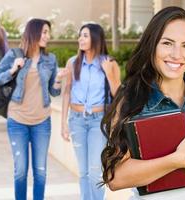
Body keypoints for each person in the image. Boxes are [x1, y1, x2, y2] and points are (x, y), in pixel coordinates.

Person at [100, 6, 185, 200]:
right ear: (152, 45)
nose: (177, 54)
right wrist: (175, 160)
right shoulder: (131, 99)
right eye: (167, 43)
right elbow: (114, 179)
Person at [0, 18, 67, 200]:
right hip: (17, 120)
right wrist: (13, 69)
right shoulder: (14, 54)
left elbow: (53, 92)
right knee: (20, 171)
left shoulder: (50, 59)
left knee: (40, 172)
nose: (47, 36)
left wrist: (58, 80)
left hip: (42, 122)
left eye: (48, 32)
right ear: (33, 33)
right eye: (44, 32)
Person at [61, 23, 121, 200]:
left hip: (98, 121)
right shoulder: (73, 63)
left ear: (96, 38)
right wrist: (63, 123)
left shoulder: (110, 63)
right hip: (77, 120)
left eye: (85, 35)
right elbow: (66, 93)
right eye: (80, 36)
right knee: (83, 172)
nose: (80, 39)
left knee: (95, 171)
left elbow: (118, 95)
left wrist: (109, 73)